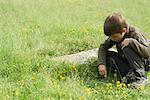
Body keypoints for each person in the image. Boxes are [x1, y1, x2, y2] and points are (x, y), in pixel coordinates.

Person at [97, 12, 150, 88]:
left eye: (114, 36)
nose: (112, 39)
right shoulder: (116, 35)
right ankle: (130, 74)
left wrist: (132, 42)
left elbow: (147, 53)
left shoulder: (135, 34)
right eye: (110, 37)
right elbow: (103, 47)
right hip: (129, 62)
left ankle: (140, 78)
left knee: (126, 47)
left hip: (144, 62)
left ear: (124, 31)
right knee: (107, 55)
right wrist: (101, 64)